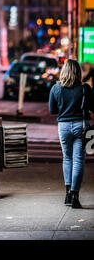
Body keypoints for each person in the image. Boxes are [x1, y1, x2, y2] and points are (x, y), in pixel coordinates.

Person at [49, 59, 94, 209]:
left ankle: (68, 193)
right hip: (82, 126)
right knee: (79, 160)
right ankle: (75, 195)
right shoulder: (85, 88)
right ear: (78, 72)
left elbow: (52, 110)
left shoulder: (56, 88)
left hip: (63, 126)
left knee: (67, 158)